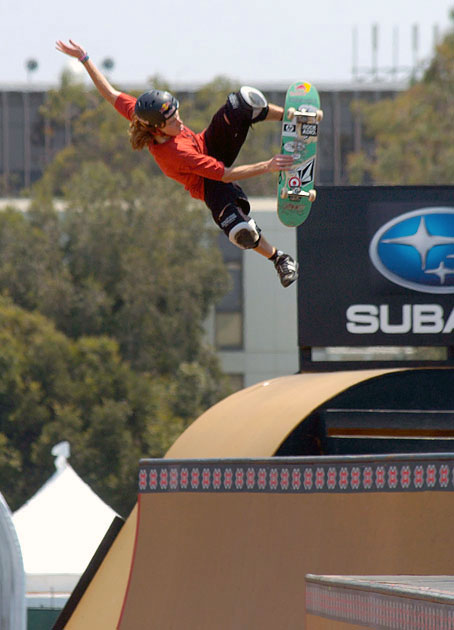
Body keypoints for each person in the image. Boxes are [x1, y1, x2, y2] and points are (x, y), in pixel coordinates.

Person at [56, 40, 299, 287]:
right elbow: (224, 175)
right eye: (173, 121)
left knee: (242, 102)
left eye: (177, 114)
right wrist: (269, 165)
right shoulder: (176, 153)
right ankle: (279, 258)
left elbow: (110, 93)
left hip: (209, 144)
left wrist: (84, 58)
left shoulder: (142, 115)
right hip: (208, 184)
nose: (180, 123)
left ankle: (292, 115)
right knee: (241, 232)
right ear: (157, 128)